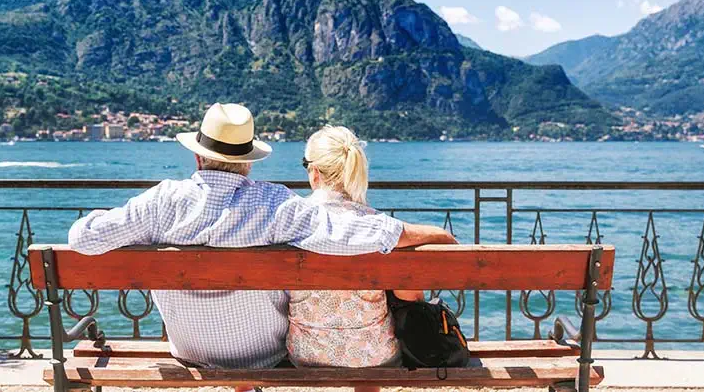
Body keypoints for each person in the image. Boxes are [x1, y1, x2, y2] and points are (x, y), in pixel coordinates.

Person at [67, 103, 457, 385]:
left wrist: (126, 218)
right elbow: (346, 233)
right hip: (263, 354)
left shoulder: (160, 200)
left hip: (188, 350)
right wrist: (425, 233)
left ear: (198, 157)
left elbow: (82, 237)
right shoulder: (273, 203)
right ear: (248, 161)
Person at [287, 126, 422, 392]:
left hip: (305, 353)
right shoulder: (379, 226)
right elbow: (412, 296)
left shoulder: (289, 222)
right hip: (374, 356)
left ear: (315, 172)